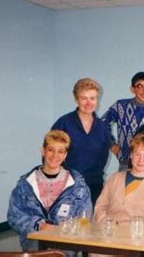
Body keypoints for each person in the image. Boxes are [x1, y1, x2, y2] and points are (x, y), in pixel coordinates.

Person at [7, 130, 92, 251]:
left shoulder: (78, 185)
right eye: (51, 150)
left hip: (64, 248)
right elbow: (14, 216)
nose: (55, 155)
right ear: (43, 151)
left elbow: (85, 217)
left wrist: (64, 229)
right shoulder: (25, 184)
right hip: (34, 248)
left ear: (65, 156)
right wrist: (39, 225)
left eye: (60, 151)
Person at [51, 78, 112, 206]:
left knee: (92, 224)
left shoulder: (102, 127)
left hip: (94, 185)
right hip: (66, 185)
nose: (88, 103)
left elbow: (103, 157)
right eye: (84, 98)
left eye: (92, 98)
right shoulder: (64, 123)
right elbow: (50, 155)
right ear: (76, 99)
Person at [94, 132, 144, 225]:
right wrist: (106, 223)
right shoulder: (115, 178)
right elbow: (100, 206)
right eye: (137, 154)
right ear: (131, 155)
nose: (141, 160)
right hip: (108, 232)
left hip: (137, 235)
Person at [102, 72, 144, 171]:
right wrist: (111, 144)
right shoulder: (121, 106)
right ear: (132, 89)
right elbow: (101, 124)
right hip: (126, 164)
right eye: (140, 86)